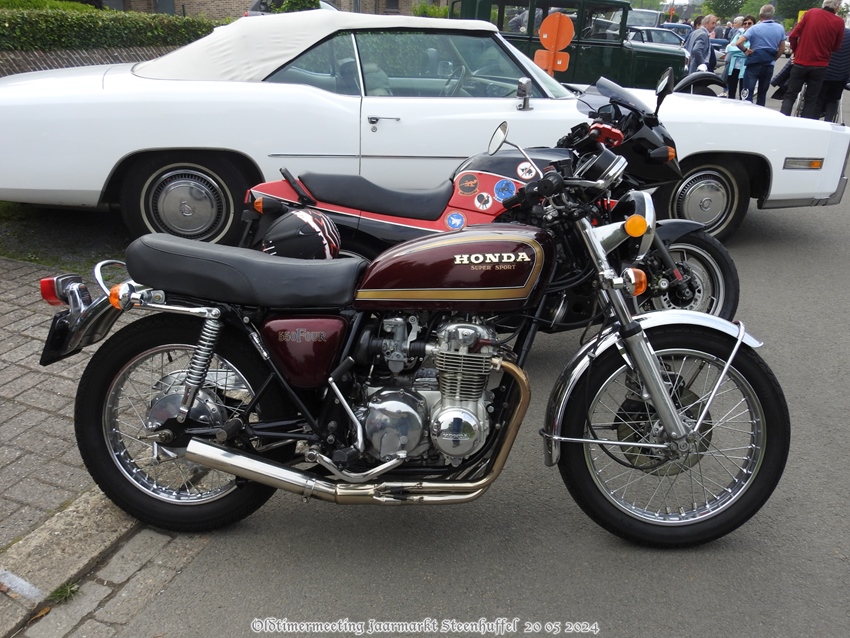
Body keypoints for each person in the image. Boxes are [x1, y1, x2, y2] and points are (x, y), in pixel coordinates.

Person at [779, 0, 845, 118]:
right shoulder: (839, 22)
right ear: (837, 7)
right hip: (820, 66)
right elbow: (836, 47)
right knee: (811, 99)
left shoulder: (811, 13)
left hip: (801, 62)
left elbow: (793, 35)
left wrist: (796, 51)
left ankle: (783, 121)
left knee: (790, 95)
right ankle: (805, 124)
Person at [735, 5, 786, 106]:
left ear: (760, 15)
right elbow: (782, 48)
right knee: (762, 94)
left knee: (747, 93)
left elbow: (739, 42)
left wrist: (745, 50)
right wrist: (774, 59)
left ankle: (746, 111)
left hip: (754, 63)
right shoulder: (780, 28)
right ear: (772, 15)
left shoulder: (754, 28)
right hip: (768, 64)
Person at [813, 26, 850, 122]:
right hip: (841, 75)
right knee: (833, 100)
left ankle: (814, 122)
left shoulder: (825, 32)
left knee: (818, 99)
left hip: (824, 72)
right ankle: (829, 122)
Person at [725, 16, 755, 99]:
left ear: (754, 25)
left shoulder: (754, 37)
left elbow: (751, 50)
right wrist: (744, 50)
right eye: (745, 23)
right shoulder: (738, 35)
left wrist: (737, 48)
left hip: (745, 68)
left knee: (743, 94)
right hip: (734, 67)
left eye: (749, 23)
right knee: (731, 93)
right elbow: (729, 49)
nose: (747, 25)